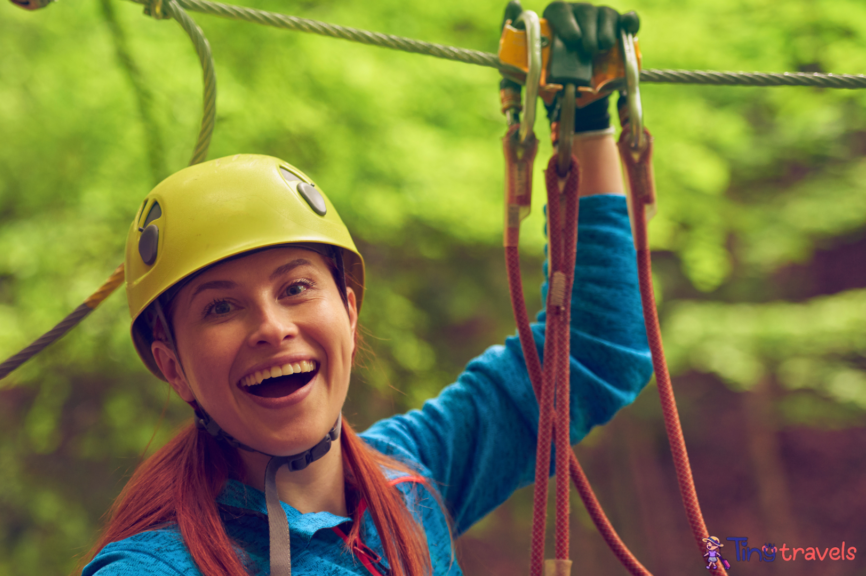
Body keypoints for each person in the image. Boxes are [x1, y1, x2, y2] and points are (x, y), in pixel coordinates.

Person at [81, 4, 650, 575]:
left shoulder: (410, 480)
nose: (273, 327)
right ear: (172, 366)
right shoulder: (154, 567)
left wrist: (588, 122)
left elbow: (593, 348)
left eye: (296, 287)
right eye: (221, 307)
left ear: (349, 313)